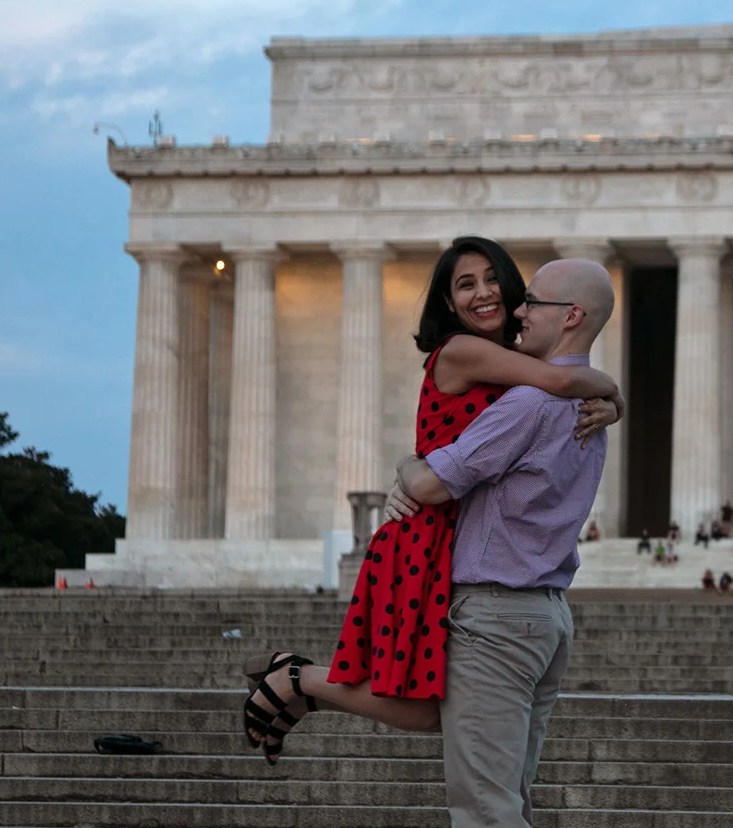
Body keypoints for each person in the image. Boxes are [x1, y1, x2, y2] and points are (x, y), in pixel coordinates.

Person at [242, 243, 621, 828]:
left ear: (572, 318)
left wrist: (412, 471)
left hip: (495, 615)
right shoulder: (588, 413)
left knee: (485, 815)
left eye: (534, 303)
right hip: (546, 615)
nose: (519, 310)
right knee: (501, 808)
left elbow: (431, 483)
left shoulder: (526, 402)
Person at [238, 236, 618, 762]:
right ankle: (297, 681)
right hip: (424, 537)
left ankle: (299, 684)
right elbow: (564, 378)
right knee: (427, 703)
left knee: (430, 708)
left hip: (451, 534)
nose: (483, 294)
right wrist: (614, 397)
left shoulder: (512, 359)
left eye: (494, 281)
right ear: (447, 302)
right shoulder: (467, 352)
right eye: (465, 285)